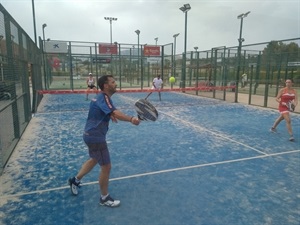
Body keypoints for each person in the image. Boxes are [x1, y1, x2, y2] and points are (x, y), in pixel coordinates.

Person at [69, 75, 140, 207]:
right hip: (96, 137)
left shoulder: (100, 97)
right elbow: (116, 112)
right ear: (106, 86)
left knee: (94, 159)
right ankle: (104, 198)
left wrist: (109, 115)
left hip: (90, 135)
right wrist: (131, 119)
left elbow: (104, 111)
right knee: (106, 166)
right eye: (113, 82)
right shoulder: (104, 97)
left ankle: (75, 180)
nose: (116, 84)